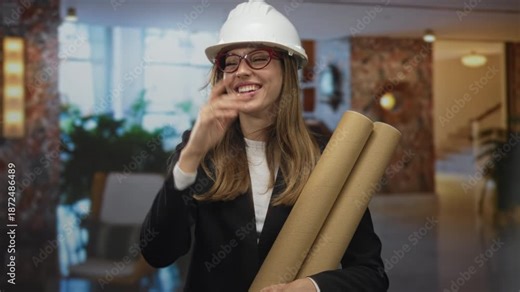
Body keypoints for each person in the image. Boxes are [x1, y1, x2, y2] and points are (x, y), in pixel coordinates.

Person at [140, 0, 389, 291]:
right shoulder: (198, 149)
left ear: (287, 70)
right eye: (230, 62)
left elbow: (372, 274)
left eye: (258, 57)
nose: (241, 70)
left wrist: (309, 287)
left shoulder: (328, 156)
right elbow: (158, 253)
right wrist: (191, 156)